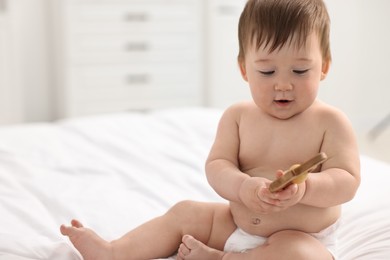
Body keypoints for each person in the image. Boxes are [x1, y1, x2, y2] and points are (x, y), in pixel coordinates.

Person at [60, 0, 360, 259]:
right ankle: (114, 252)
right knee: (185, 211)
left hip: (301, 237)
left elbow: (347, 181)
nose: (283, 83)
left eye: (300, 70)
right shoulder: (238, 117)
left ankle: (222, 258)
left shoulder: (330, 122)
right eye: (267, 71)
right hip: (234, 224)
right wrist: (243, 187)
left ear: (324, 66)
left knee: (299, 255)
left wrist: (306, 189)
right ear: (244, 68)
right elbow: (218, 166)